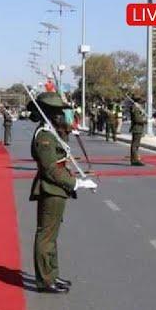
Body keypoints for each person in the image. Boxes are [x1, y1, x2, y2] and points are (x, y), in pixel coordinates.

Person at [27, 91, 97, 293]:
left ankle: (52, 274)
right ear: (50, 113)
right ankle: (45, 280)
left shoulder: (52, 132)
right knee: (46, 236)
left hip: (57, 190)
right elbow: (51, 169)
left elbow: (64, 138)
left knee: (52, 236)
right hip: (51, 189)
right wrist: (77, 183)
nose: (62, 115)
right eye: (58, 112)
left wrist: (69, 125)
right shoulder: (44, 136)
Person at [129, 93, 146, 166]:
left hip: (138, 128)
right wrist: (145, 121)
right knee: (135, 145)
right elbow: (137, 119)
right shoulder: (135, 108)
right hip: (137, 128)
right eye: (141, 101)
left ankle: (135, 159)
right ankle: (135, 160)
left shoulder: (137, 107)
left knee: (136, 144)